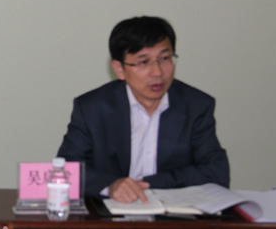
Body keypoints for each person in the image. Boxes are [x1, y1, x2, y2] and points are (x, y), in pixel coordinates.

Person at [57, 16, 229, 203]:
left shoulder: (196, 106)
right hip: (111, 212)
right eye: (143, 62)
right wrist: (111, 185)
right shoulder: (92, 108)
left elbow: (216, 172)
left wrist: (149, 184)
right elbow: (66, 169)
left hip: (174, 213)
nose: (157, 72)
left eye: (165, 58)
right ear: (119, 69)